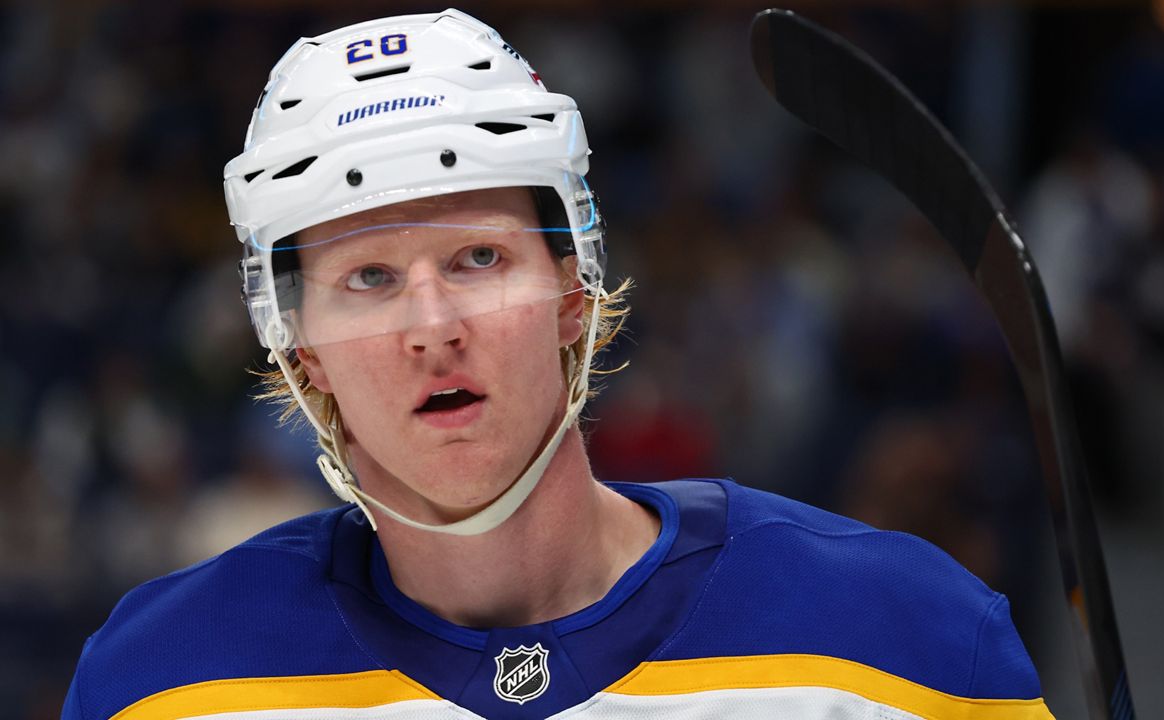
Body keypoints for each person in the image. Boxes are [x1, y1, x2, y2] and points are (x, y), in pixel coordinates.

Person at [63, 10, 1054, 719]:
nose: (431, 325)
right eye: (366, 277)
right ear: (297, 346)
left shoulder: (898, 639)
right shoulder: (163, 682)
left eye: (477, 258)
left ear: (574, 287)